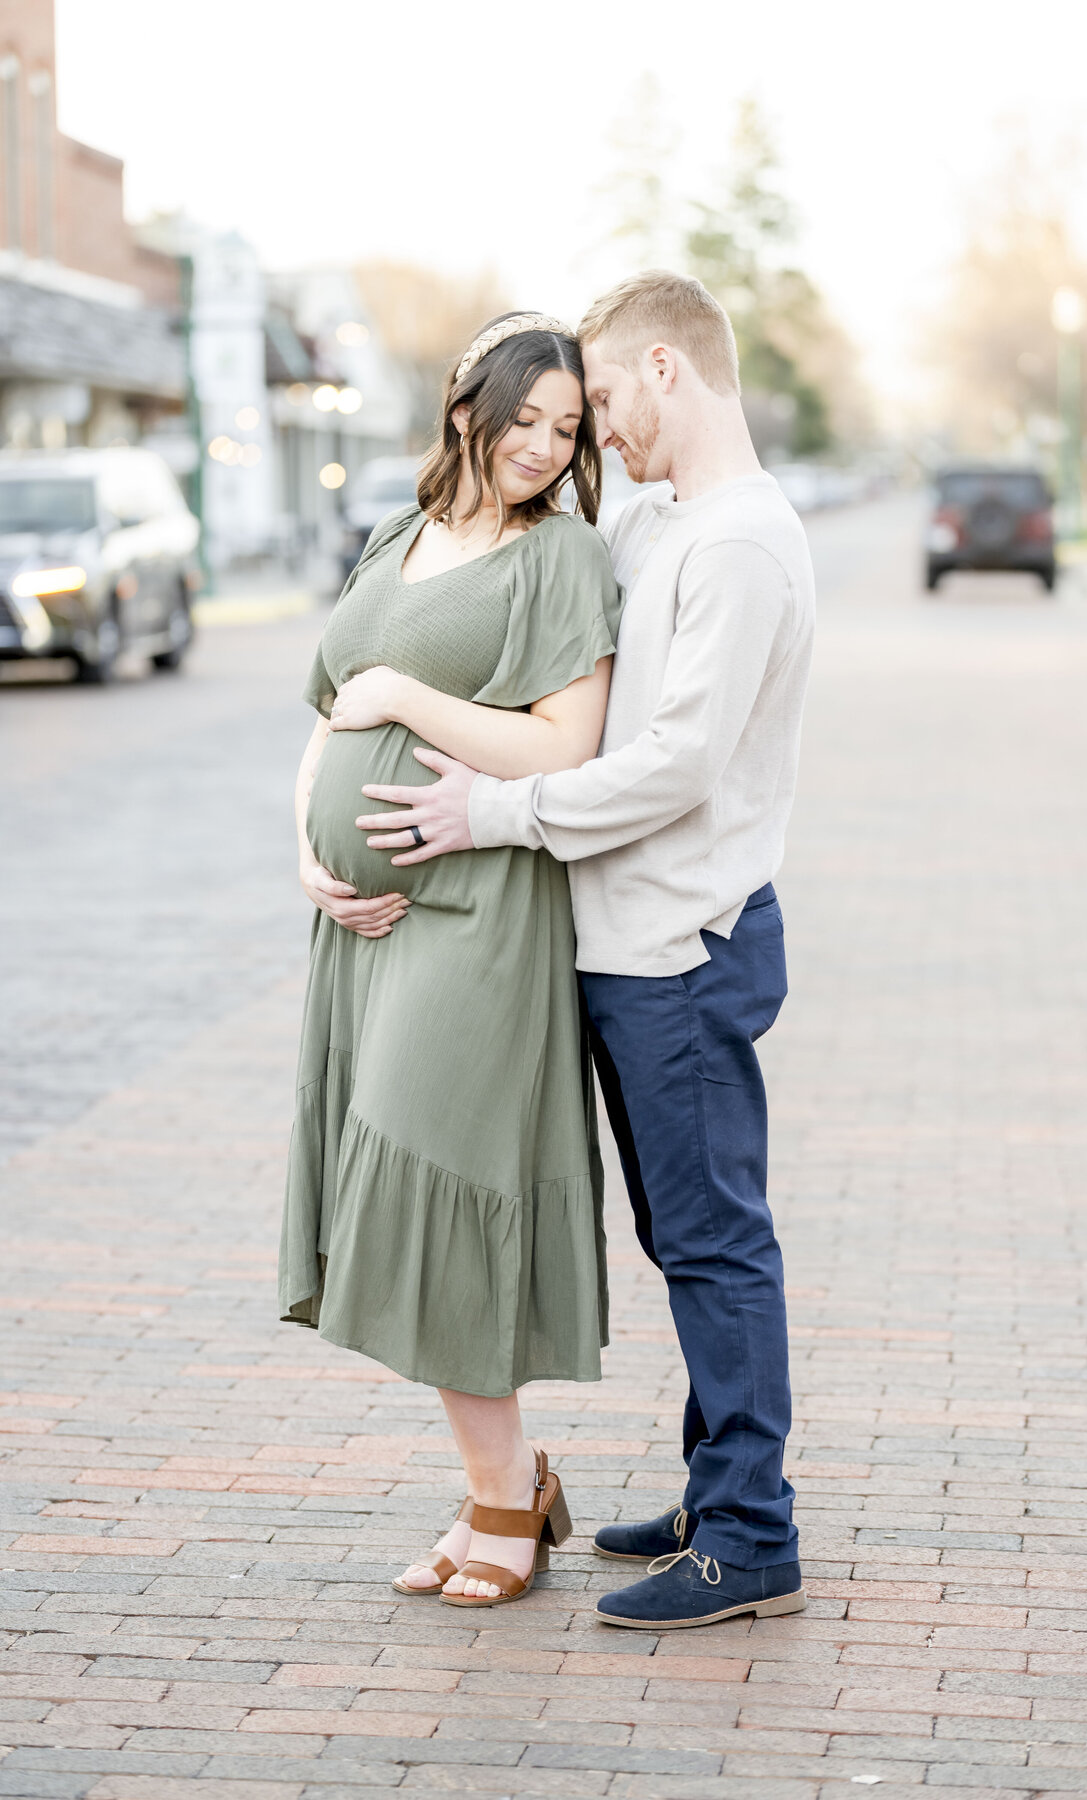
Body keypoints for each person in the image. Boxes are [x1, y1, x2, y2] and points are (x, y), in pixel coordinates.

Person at [350, 271, 816, 1631]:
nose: (599, 431)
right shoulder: (671, 527)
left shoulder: (735, 543)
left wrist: (493, 812)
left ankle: (749, 1535)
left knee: (717, 1244)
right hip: (633, 943)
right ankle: (710, 1487)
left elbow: (673, 766)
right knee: (688, 1239)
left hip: (679, 946)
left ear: (668, 371)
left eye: (605, 398)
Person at [278, 312, 623, 1608]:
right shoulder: (394, 538)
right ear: (467, 406)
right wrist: (304, 849)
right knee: (402, 1196)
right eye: (525, 418)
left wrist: (405, 701)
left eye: (568, 430)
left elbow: (565, 748)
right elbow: (326, 711)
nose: (542, 447)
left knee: (440, 1192)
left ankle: (505, 1502)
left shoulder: (565, 560)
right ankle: (504, 1489)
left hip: (480, 919)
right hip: (363, 927)